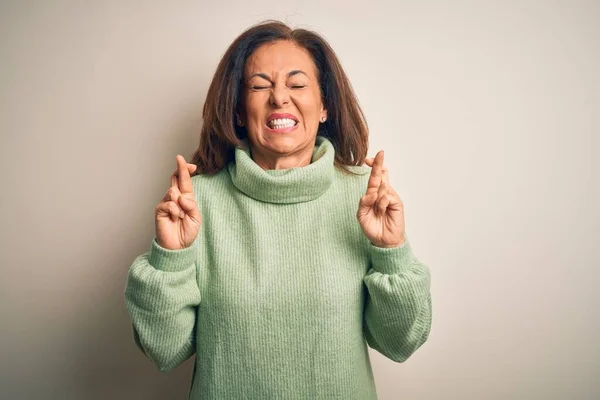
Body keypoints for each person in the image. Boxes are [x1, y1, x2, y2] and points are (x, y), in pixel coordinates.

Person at [124, 20, 432, 400]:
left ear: (324, 108)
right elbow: (165, 350)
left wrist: (392, 253)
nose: (279, 98)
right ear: (238, 111)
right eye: (259, 86)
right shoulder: (196, 203)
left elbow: (400, 343)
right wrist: (170, 256)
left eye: (297, 84)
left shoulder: (364, 197)